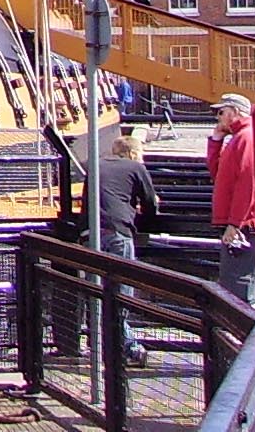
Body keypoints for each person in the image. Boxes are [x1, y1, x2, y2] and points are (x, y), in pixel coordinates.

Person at [97, 127, 161, 365]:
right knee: (122, 294)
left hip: (91, 233)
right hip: (118, 232)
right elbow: (150, 204)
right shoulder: (136, 168)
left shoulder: (97, 166)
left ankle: (107, 346)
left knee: (99, 293)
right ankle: (127, 347)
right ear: (134, 153)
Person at [208, 93, 255, 303]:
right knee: (233, 284)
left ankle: (244, 333)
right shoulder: (238, 138)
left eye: (221, 112)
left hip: (243, 225)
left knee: (238, 285)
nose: (218, 117)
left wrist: (235, 223)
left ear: (234, 112)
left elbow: (247, 183)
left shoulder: (245, 138)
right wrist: (216, 141)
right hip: (238, 223)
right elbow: (217, 174)